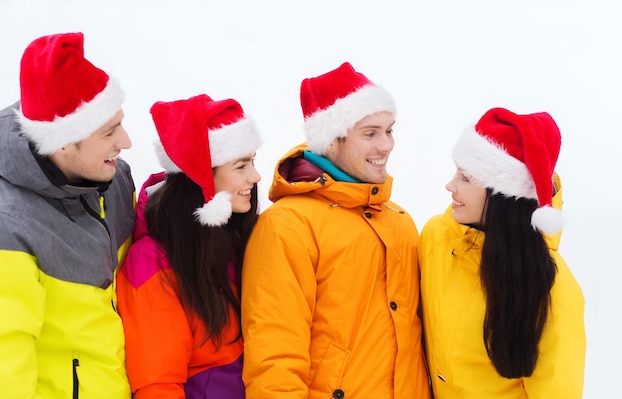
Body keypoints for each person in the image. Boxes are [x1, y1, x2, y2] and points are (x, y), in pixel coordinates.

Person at [241, 62, 431, 399]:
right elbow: (275, 354)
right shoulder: (288, 225)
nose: (386, 145)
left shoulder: (399, 221)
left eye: (389, 130)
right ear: (331, 142)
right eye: (370, 133)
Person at [0, 32, 135, 398]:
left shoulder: (116, 179)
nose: (126, 142)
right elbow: (7, 368)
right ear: (61, 139)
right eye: (110, 131)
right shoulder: (10, 224)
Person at [419, 107, 586, 398]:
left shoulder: (551, 287)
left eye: (466, 178)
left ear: (503, 197)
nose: (450, 185)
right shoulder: (436, 237)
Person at [116, 93, 262, 398]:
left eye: (253, 162)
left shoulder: (236, 241)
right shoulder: (151, 261)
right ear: (201, 175)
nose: (255, 176)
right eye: (241, 166)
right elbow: (157, 383)